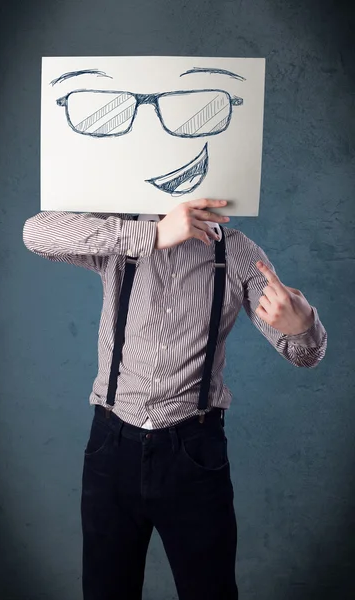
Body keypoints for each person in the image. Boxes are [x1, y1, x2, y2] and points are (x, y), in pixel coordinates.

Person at [22, 198, 327, 600]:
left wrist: (304, 327)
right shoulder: (123, 234)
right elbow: (36, 233)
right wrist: (153, 234)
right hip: (112, 446)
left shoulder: (236, 252)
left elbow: (302, 353)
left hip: (194, 453)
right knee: (105, 591)